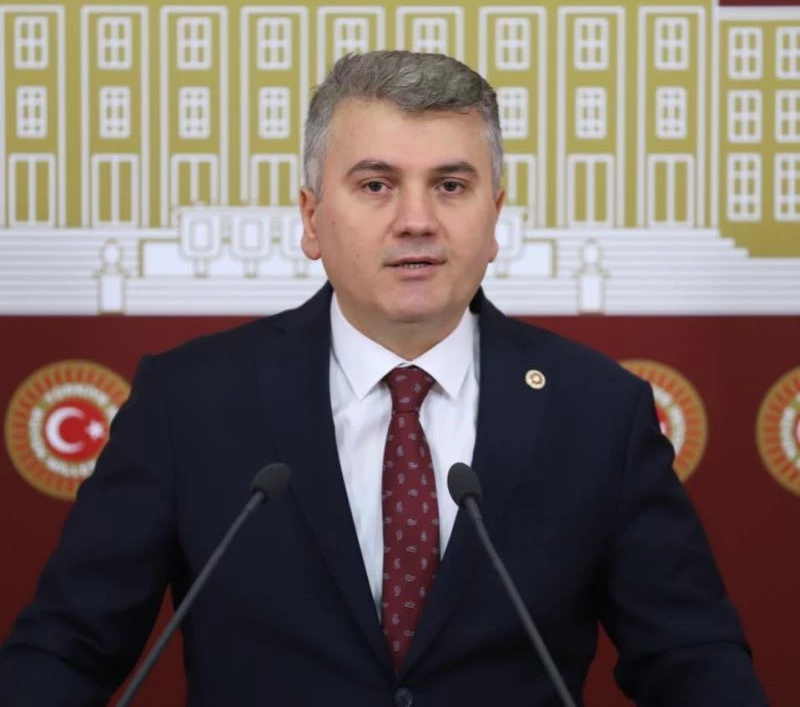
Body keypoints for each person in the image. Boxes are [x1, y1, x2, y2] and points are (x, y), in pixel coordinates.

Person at [0, 51, 768, 706]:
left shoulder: (598, 411)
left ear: (495, 216)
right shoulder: (190, 403)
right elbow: (66, 650)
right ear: (311, 218)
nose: (416, 220)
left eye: (451, 185)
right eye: (376, 185)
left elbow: (692, 659)